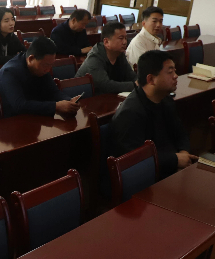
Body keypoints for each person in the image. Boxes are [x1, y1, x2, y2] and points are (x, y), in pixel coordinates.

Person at [111, 50, 195, 179]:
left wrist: (184, 154)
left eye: (175, 71)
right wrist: (175, 160)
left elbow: (181, 133)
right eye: (170, 72)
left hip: (170, 169)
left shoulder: (166, 100)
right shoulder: (130, 113)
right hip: (146, 178)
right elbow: (135, 160)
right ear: (150, 79)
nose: (176, 76)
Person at [0, 37, 81, 118]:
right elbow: (19, 105)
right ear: (31, 59)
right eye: (46, 65)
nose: (48, 70)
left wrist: (69, 101)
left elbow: (53, 92)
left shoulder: (41, 68)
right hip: (8, 121)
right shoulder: (10, 72)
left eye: (51, 65)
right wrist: (55, 106)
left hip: (32, 117)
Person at [75, 22, 136, 95]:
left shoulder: (119, 54)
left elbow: (131, 76)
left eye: (125, 38)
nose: (125, 42)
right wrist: (135, 85)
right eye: (121, 38)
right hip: (86, 99)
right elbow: (105, 86)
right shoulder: (94, 58)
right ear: (106, 42)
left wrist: (141, 83)